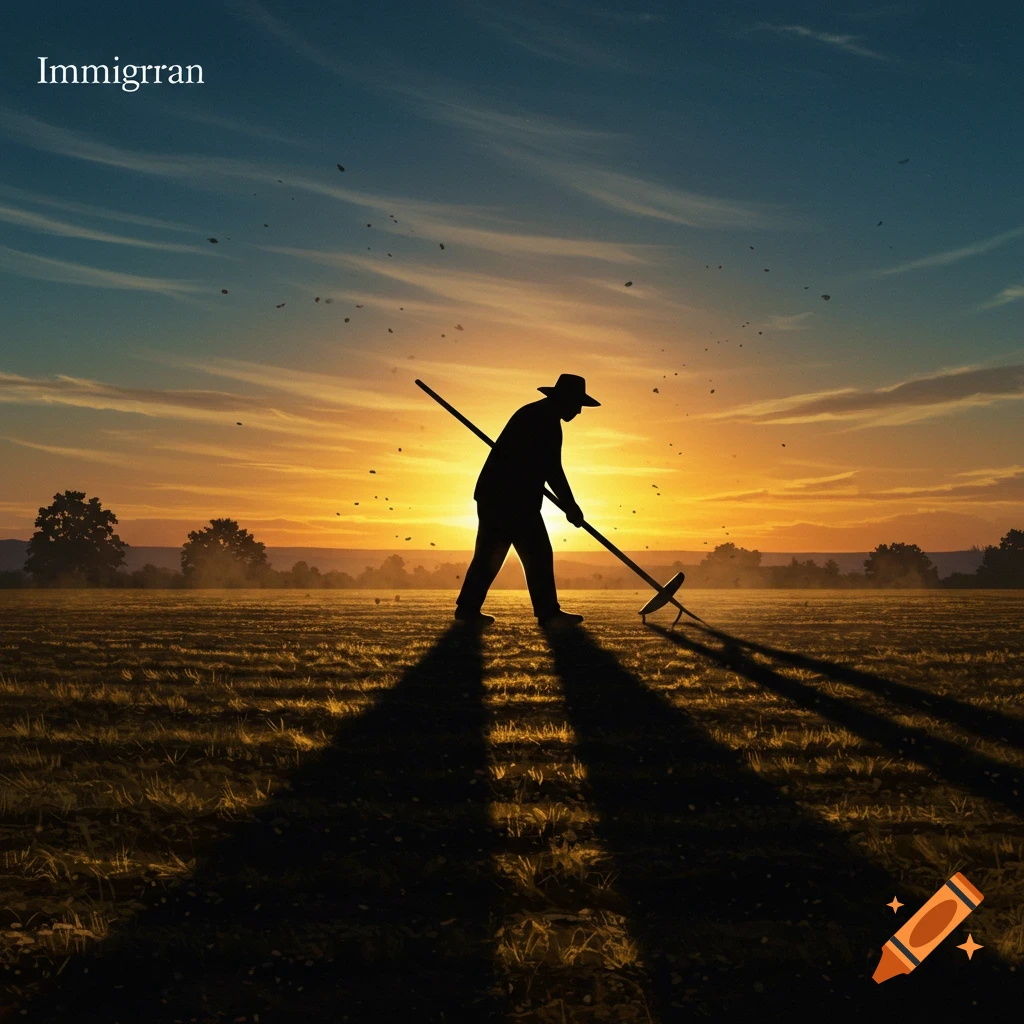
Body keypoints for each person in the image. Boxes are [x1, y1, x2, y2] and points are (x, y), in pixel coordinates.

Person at [455, 373, 599, 627]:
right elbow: (552, 469)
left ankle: (469, 609)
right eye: (577, 404)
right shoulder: (543, 420)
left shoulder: (540, 416)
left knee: (497, 554)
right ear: (565, 400)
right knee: (534, 554)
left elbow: (544, 467)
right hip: (508, 498)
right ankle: (547, 613)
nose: (579, 411)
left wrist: (569, 505)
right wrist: (570, 506)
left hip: (506, 496)